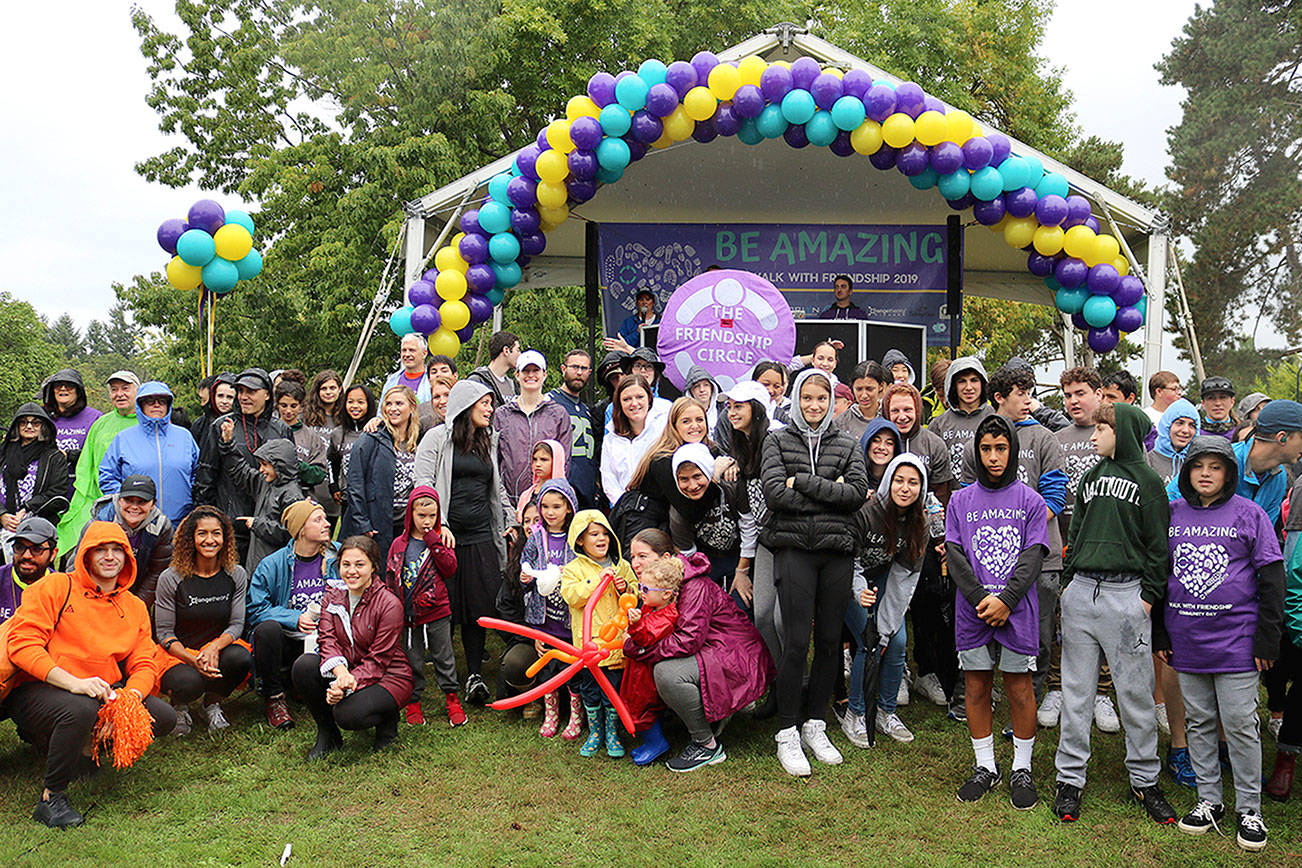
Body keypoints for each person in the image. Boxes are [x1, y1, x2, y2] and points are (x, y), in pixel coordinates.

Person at [4, 521, 176, 828]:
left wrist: (126, 701)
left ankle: (86, 751)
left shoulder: (134, 606)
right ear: (85, 554)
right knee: (80, 709)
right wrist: (75, 683)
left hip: (100, 689)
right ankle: (51, 797)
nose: (110, 557)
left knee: (162, 717)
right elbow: (23, 646)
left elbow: (144, 662)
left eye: (117, 550)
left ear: (128, 557)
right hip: (43, 685)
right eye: (101, 550)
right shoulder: (55, 587)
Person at [1052, 402, 1176, 825]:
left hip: (1127, 595)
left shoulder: (1148, 481)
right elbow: (1079, 532)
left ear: (1121, 431)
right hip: (1082, 592)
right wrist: (1069, 582)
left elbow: (1159, 546)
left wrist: (1147, 596)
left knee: (1136, 695)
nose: (1093, 435)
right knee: (1077, 692)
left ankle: (1145, 780)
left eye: (1102, 428)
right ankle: (1069, 778)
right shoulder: (1090, 477)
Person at [1156, 436, 1281, 852]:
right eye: (1198, 466)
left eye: (1215, 466)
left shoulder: (1249, 514)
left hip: (1238, 641)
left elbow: (1272, 576)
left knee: (1242, 724)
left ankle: (1250, 809)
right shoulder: (1171, 515)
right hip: (1185, 640)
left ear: (1229, 472)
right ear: (1186, 473)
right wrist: (1160, 631)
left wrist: (1267, 637)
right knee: (1199, 721)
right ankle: (1209, 800)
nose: (1206, 473)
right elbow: (1159, 576)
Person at [762, 368, 869, 777]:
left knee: (828, 642)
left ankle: (815, 723)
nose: (813, 405)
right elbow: (775, 495)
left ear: (830, 402)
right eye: (806, 397)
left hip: (836, 554)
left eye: (821, 398)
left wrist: (803, 481)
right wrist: (829, 493)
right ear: (796, 398)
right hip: (794, 553)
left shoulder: (846, 443)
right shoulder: (777, 440)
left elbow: (856, 494)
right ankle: (787, 730)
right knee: (795, 643)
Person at [947, 416, 1048, 808]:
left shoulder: (1030, 500)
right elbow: (954, 554)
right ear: (977, 451)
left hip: (1018, 610)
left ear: (1013, 450)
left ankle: (1022, 768)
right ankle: (985, 766)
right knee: (976, 686)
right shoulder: (960, 500)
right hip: (972, 610)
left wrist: (1006, 599)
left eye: (1000, 448)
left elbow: (1033, 555)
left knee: (1019, 688)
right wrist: (979, 600)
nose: (993, 457)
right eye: (986, 449)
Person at [623, 528, 775, 772]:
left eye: (643, 556)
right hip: (713, 649)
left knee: (667, 673)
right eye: (632, 557)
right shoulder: (658, 584)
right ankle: (685, 722)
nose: (636, 563)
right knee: (657, 664)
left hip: (734, 655)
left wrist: (638, 649)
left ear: (664, 559)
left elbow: (687, 640)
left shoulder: (693, 586)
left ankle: (706, 745)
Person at [962, 365, 1067, 707]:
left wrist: (1021, 530)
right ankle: (986, 696)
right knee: (986, 627)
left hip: (1040, 558)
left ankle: (1031, 702)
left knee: (1037, 635)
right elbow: (966, 501)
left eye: (1029, 392)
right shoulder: (977, 441)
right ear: (999, 397)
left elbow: (1054, 498)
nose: (1028, 401)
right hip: (987, 562)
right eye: (1021, 393)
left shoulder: (1044, 438)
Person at [414, 380, 514, 705]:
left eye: (491, 403)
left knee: (477, 606)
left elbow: (495, 488)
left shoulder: (488, 441)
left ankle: (473, 675)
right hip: (447, 535)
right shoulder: (436, 439)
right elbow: (423, 486)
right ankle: (446, 677)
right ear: (465, 405)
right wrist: (438, 524)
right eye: (484, 403)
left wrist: (510, 519)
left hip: (481, 533)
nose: (489, 409)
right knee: (446, 607)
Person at [291, 535, 414, 758]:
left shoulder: (389, 603)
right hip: (349, 669)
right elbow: (327, 639)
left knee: (347, 715)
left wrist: (345, 685)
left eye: (360, 565)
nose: (351, 571)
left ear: (373, 567)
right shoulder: (332, 596)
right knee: (304, 666)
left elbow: (378, 661)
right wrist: (340, 675)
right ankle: (328, 735)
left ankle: (388, 718)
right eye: (345, 565)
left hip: (390, 675)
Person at [848, 453, 936, 747]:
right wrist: (859, 590)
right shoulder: (866, 512)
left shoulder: (918, 523)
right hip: (852, 582)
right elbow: (849, 561)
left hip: (886, 582)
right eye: (899, 480)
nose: (905, 488)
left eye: (913, 483)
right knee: (868, 642)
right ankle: (856, 713)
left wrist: (888, 622)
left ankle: (886, 711)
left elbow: (905, 575)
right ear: (889, 481)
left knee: (895, 642)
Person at [152, 506, 253, 735]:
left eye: (216, 533)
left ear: (225, 538)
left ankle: (212, 703)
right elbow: (165, 633)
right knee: (188, 682)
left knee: (240, 658)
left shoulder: (235, 573)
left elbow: (237, 624)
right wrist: (192, 658)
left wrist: (214, 648)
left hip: (218, 648)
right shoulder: (171, 577)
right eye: (202, 534)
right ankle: (179, 706)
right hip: (178, 653)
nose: (210, 540)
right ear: (191, 539)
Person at [246, 499, 341, 730]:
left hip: (328, 638)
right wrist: (293, 618)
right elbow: (255, 609)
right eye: (318, 520)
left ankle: (306, 684)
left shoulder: (338, 556)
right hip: (288, 641)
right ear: (300, 529)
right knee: (267, 629)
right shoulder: (272, 564)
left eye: (325, 519)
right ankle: (274, 697)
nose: (327, 524)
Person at [383, 486, 463, 727]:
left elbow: (450, 568)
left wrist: (434, 542)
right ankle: (413, 702)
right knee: (412, 658)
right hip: (408, 615)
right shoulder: (399, 543)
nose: (427, 522)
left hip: (437, 611)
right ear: (410, 514)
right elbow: (390, 574)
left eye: (432, 516)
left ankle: (452, 699)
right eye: (421, 516)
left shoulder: (441, 540)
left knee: (444, 656)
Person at [559, 510, 636, 758]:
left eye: (605, 533)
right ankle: (595, 733)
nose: (601, 538)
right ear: (580, 540)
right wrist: (595, 581)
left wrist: (625, 588)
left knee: (612, 691)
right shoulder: (573, 569)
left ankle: (612, 734)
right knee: (591, 691)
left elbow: (634, 597)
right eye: (594, 534)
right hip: (588, 649)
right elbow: (571, 595)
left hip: (613, 647)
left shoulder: (621, 566)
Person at [194, 368, 293, 560]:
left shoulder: (281, 429)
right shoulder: (222, 425)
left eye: (251, 392)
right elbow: (206, 475)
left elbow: (289, 477)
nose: (244, 397)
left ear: (266, 394)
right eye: (240, 391)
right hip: (230, 523)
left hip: (269, 523)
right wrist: (205, 516)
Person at [511, 478, 582, 739]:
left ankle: (576, 716)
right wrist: (525, 577)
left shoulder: (575, 538)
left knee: (571, 671)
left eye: (556, 507)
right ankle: (551, 714)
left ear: (569, 508)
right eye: (546, 507)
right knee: (548, 670)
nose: (550, 513)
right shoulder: (537, 537)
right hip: (544, 620)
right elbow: (525, 563)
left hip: (568, 622)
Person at [716, 380, 780, 663]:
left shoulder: (778, 437)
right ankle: (776, 680)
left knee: (783, 620)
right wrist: (742, 571)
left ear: (756, 408)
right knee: (763, 615)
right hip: (766, 542)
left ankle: (796, 683)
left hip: (792, 539)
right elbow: (748, 516)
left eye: (739, 406)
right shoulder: (740, 446)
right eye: (730, 406)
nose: (731, 412)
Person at [614, 396, 717, 546]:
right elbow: (688, 511)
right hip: (643, 523)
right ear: (674, 426)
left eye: (700, 420)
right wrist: (716, 477)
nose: (695, 426)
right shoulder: (663, 460)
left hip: (670, 524)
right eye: (686, 421)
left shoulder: (711, 450)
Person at [57, 371, 138, 555]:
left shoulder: (147, 422)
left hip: (136, 502)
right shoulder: (101, 424)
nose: (120, 394)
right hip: (98, 499)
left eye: (126, 389)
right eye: (114, 390)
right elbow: (86, 465)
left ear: (137, 391)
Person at [98, 382, 199, 523]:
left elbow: (198, 474)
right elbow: (107, 476)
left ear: (168, 405)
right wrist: (128, 502)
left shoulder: (185, 436)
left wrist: (190, 501)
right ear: (141, 405)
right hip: (137, 524)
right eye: (150, 401)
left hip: (180, 521)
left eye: (162, 401)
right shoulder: (123, 438)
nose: (156, 405)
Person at [343, 386, 422, 562]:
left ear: (412, 407)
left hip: (405, 524)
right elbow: (354, 484)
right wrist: (362, 523)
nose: (393, 408)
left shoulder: (419, 440)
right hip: (377, 522)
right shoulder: (371, 438)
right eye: (389, 404)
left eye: (399, 403)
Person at [619, 555, 681, 757]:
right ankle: (650, 742)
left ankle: (657, 744)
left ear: (666, 595)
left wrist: (634, 627)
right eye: (640, 587)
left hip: (645, 675)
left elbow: (645, 638)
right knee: (637, 705)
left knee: (642, 708)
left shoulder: (667, 617)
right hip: (639, 669)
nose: (641, 593)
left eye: (645, 589)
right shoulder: (651, 607)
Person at [493, 350, 573, 503]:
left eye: (536, 370)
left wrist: (553, 498)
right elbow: (495, 459)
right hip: (509, 501)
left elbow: (564, 462)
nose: (531, 375)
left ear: (544, 374)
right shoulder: (502, 414)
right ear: (517, 375)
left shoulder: (558, 414)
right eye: (526, 371)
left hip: (546, 502)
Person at [87, 474, 174, 613]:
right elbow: (78, 564)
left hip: (137, 590)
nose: (134, 507)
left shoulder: (161, 527)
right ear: (119, 500)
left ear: (153, 504)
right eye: (128, 500)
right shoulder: (101, 519)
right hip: (94, 592)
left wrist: (136, 607)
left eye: (142, 501)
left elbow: (157, 572)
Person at [220, 432, 303, 573]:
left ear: (279, 465)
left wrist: (257, 524)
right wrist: (228, 445)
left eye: (265, 465)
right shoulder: (265, 483)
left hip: (276, 567)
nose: (261, 469)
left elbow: (290, 532)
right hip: (257, 562)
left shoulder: (292, 495)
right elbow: (241, 471)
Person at [667, 443, 742, 587]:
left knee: (742, 604)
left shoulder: (729, 488)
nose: (693, 485)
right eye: (684, 479)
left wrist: (743, 571)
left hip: (741, 557)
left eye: (697, 476)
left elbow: (749, 528)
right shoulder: (678, 511)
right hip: (707, 562)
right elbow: (687, 553)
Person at [0, 403, 70, 540]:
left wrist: (27, 509)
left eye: (36, 423)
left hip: (38, 526)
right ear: (16, 426)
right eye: (23, 422)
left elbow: (57, 492)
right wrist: (2, 515)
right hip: (2, 522)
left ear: (43, 426)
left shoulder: (54, 457)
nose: (29, 426)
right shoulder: (3, 452)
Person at [600, 375, 667, 507]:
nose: (634, 403)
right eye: (627, 399)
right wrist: (625, 505)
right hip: (625, 511)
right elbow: (608, 477)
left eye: (640, 397)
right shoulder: (611, 438)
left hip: (660, 508)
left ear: (649, 397)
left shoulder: (664, 429)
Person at [928, 356, 994, 483]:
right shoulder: (938, 424)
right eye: (962, 381)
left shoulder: (995, 419)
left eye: (974, 380)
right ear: (953, 385)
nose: (968, 387)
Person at [549, 349, 599, 510]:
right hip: (562, 491)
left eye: (584, 368)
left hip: (588, 492)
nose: (579, 372)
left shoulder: (586, 409)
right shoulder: (550, 402)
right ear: (563, 369)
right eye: (574, 367)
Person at [40, 369, 101, 489]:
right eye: (58, 385)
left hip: (82, 489)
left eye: (69, 385)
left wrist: (71, 455)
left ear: (78, 391)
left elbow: (101, 455)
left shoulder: (96, 418)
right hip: (46, 489)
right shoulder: (41, 416)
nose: (63, 389)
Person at [274, 380, 330, 504]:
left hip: (302, 498)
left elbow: (319, 474)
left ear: (301, 406)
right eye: (283, 405)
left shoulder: (312, 436)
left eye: (293, 406)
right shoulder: (269, 430)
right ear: (277, 404)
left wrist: (296, 465)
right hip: (271, 497)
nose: (288, 411)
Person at [328, 384, 376, 524]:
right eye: (350, 402)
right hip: (347, 499)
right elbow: (332, 461)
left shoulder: (377, 431)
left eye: (360, 402)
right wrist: (334, 486)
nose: (355, 406)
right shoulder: (337, 433)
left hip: (371, 499)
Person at [0, 516, 58, 623]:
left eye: (37, 549)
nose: (27, 555)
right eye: (19, 547)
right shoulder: (2, 577)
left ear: (53, 554)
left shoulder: (62, 589)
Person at [1145, 398, 1200, 486]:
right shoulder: (1147, 461)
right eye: (1179, 423)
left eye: (1192, 425)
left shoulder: (1197, 464)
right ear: (1166, 426)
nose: (1186, 430)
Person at [833, 360, 888, 442]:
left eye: (869, 389)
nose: (864, 395)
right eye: (859, 389)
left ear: (881, 386)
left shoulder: (890, 416)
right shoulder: (841, 422)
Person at [467, 330, 521, 407]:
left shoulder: (513, 386)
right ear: (506, 350)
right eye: (518, 350)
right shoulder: (478, 380)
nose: (520, 355)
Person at [188, 372, 235, 459]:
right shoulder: (200, 424)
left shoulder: (242, 423)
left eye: (229, 397)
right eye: (220, 396)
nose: (224, 401)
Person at [382, 333, 433, 404]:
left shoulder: (432, 379)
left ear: (424, 354)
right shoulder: (392, 381)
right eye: (404, 350)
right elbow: (381, 411)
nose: (407, 354)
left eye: (412, 350)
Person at [686, 365, 721, 431]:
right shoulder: (684, 412)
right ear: (691, 391)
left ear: (712, 388)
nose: (702, 390)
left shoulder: (722, 409)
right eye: (697, 386)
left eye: (706, 385)